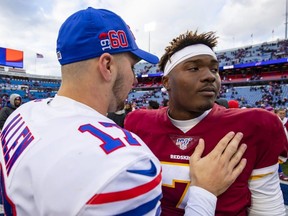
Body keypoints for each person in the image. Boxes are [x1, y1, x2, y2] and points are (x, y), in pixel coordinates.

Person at [0, 8, 247, 216]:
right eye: (131, 66)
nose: (135, 79)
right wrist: (204, 193)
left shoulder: (22, 115)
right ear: (107, 65)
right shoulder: (125, 165)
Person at [125, 31, 288, 215]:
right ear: (167, 81)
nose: (210, 76)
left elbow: (267, 210)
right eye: (194, 68)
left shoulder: (256, 125)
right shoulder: (137, 122)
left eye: (214, 69)